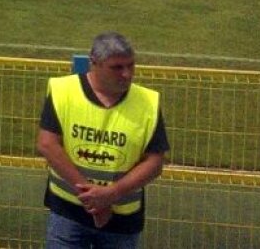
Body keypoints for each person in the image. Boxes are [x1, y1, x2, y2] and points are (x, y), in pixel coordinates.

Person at [37, 32, 168, 247]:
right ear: (94, 64)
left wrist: (111, 194)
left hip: (121, 220)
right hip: (69, 212)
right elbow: (47, 144)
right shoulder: (64, 92)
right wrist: (95, 201)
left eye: (131, 66)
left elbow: (154, 162)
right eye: (117, 67)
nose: (127, 74)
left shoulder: (147, 103)